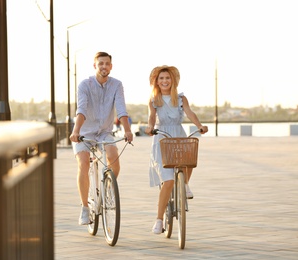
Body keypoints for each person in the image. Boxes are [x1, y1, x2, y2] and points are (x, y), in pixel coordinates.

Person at [69, 51, 134, 225]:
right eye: (101, 64)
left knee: (113, 154)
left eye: (107, 64)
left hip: (104, 132)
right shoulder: (85, 85)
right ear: (95, 66)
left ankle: (107, 190)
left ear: (111, 66)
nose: (104, 67)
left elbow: (121, 110)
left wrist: (127, 130)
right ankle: (84, 207)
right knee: (83, 163)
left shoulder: (117, 85)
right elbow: (81, 110)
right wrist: (76, 131)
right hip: (84, 133)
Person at [144, 65, 208, 234]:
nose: (165, 81)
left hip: (178, 134)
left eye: (167, 78)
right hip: (161, 136)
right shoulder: (153, 100)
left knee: (189, 160)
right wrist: (149, 128)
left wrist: (199, 125)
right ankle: (159, 220)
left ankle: (185, 183)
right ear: (156, 82)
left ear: (173, 80)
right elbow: (151, 118)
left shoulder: (180, 98)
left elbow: (190, 113)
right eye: (161, 78)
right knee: (168, 180)